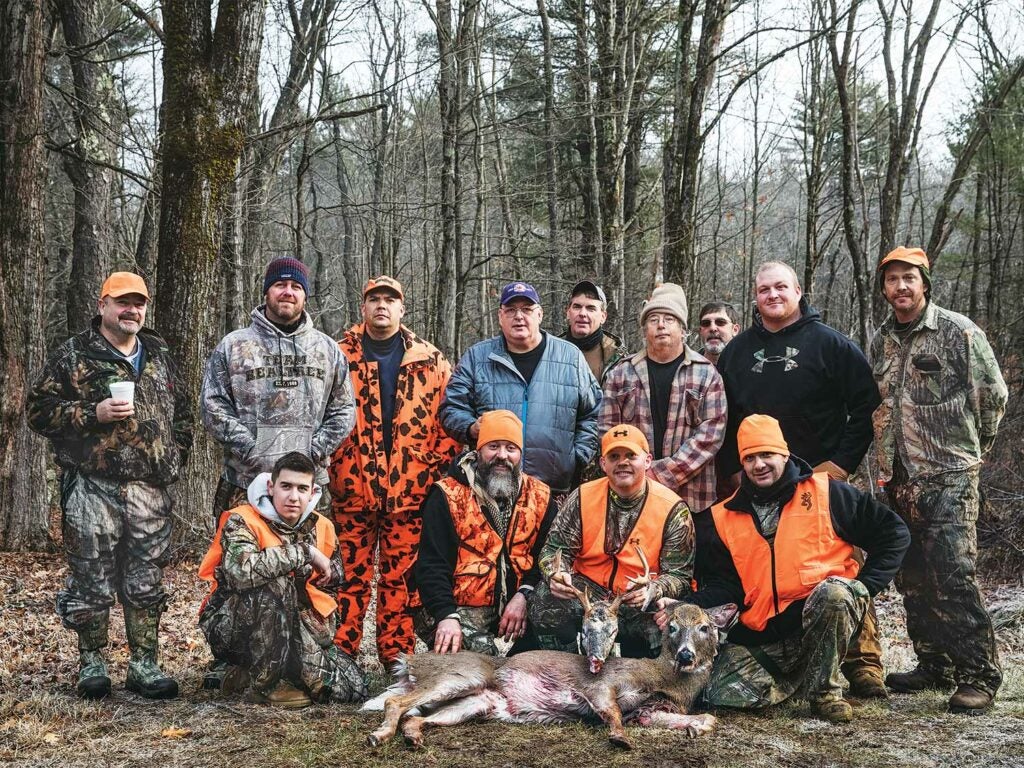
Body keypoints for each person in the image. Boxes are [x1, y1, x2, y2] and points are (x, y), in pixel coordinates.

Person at [661, 415, 909, 723]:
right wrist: (687, 604)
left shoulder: (827, 493)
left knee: (833, 594)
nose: (759, 464)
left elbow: (894, 533)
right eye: (750, 458)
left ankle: (826, 694)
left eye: (767, 454)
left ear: (784, 454)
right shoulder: (723, 518)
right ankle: (804, 677)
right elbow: (728, 587)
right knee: (719, 693)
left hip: (826, 613)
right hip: (770, 632)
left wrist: (864, 588)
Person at [715, 261, 885, 696]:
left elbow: (865, 408)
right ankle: (790, 651)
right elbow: (724, 416)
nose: (772, 295)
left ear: (798, 290)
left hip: (820, 477)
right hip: (758, 478)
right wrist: (734, 469)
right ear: (754, 297)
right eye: (763, 289)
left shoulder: (831, 345)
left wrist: (842, 463)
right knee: (772, 569)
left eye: (780, 287)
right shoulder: (737, 351)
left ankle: (863, 663)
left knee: (840, 565)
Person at [27, 272, 192, 700]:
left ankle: (144, 663)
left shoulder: (157, 353)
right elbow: (38, 411)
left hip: (149, 489)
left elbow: (184, 412)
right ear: (103, 305)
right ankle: (92, 662)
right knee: (90, 575)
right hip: (92, 485)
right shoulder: (74, 353)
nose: (131, 310)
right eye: (122, 302)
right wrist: (91, 413)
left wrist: (173, 455)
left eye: (138, 303)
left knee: (146, 578)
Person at [872, 246, 1008, 713]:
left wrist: (970, 455)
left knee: (953, 575)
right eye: (892, 280)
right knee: (912, 577)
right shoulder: (883, 340)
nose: (901, 287)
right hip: (900, 479)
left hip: (948, 476)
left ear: (925, 282)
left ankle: (979, 674)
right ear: (884, 288)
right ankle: (934, 664)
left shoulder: (957, 332)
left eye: (909, 277)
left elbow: (992, 396)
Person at [328, 275, 460, 670]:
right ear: (363, 308)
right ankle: (342, 654)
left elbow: (448, 422)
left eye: (390, 299)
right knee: (348, 576)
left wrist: (430, 469)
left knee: (400, 580)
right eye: (374, 299)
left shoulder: (431, 360)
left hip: (409, 492)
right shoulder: (336, 355)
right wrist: (333, 463)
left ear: (402, 309)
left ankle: (395, 658)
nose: (381, 305)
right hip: (352, 488)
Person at [198, 452, 367, 708]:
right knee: (275, 582)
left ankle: (258, 673)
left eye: (302, 489)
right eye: (286, 486)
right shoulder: (243, 518)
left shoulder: (322, 525)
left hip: (299, 625)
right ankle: (267, 685)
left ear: (312, 492)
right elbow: (241, 572)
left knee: (350, 690)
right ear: (271, 486)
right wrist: (305, 552)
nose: (293, 496)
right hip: (233, 626)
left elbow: (333, 583)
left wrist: (313, 637)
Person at [201, 256, 355, 517]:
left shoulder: (328, 350)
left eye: (296, 287)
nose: (288, 292)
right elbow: (213, 404)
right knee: (241, 557)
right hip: (245, 481)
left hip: (307, 486)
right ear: (267, 292)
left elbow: (344, 410)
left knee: (310, 557)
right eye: (280, 284)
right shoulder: (234, 346)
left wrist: (315, 450)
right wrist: (250, 449)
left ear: (305, 296)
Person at [530, 424, 695, 657]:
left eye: (631, 455)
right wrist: (555, 574)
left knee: (670, 625)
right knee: (545, 601)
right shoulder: (582, 497)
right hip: (589, 596)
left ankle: (649, 684)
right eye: (614, 456)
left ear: (647, 461)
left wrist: (653, 589)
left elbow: (681, 576)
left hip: (638, 600)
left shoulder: (673, 509)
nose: (623, 462)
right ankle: (568, 668)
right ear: (603, 464)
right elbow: (554, 550)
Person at [412, 410, 557, 655]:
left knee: (538, 654)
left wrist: (524, 594)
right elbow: (431, 564)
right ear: (478, 450)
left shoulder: (540, 496)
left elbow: (549, 557)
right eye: (493, 446)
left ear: (521, 454)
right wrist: (446, 615)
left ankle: (524, 652)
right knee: (476, 669)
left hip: (518, 603)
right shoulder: (447, 495)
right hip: (461, 605)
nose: (502, 456)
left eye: (511, 448)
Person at [441, 281, 601, 495]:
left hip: (554, 490)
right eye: (510, 310)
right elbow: (450, 408)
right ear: (500, 316)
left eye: (526, 309)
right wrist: (471, 428)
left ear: (539, 315)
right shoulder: (477, 357)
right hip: (491, 489)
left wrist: (575, 457)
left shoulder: (569, 357)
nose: (518, 316)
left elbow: (594, 413)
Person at [599, 282, 726, 515]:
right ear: (644, 328)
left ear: (682, 329)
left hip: (692, 498)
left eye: (669, 319)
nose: (661, 326)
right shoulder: (621, 373)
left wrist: (657, 474)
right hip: (633, 498)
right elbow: (608, 433)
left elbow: (710, 437)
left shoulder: (706, 373)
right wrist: (635, 472)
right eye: (653, 319)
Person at [559, 279, 624, 382]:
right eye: (577, 307)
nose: (583, 313)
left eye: (591, 308)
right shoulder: (551, 351)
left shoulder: (618, 358)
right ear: (567, 312)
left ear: (603, 316)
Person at [696, 301, 741, 367]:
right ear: (700, 331)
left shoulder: (747, 367)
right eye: (706, 323)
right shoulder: (686, 369)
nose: (712, 328)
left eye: (720, 322)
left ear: (735, 330)